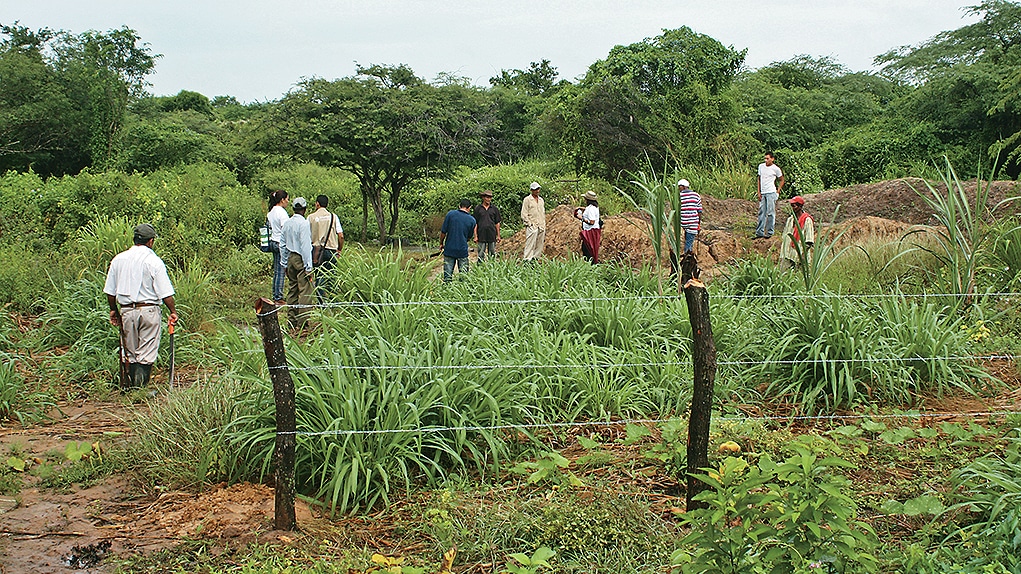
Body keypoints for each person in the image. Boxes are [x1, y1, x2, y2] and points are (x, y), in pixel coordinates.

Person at [104, 223, 177, 389]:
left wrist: (113, 310)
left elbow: (110, 292)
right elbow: (165, 293)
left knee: (129, 351)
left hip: (127, 310)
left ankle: (131, 388)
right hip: (149, 310)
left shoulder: (118, 260)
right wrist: (172, 311)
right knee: (146, 351)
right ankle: (140, 389)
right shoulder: (154, 261)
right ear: (150, 241)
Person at [279, 197, 315, 330]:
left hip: (290, 257)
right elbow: (306, 247)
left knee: (292, 289)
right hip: (300, 258)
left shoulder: (287, 223)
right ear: (304, 209)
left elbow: (282, 244)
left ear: (293, 209)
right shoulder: (304, 224)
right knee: (305, 290)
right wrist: (308, 267)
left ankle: (291, 320)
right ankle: (303, 322)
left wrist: (284, 263)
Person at [308, 194, 344, 300]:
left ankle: (321, 301)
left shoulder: (310, 217)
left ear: (317, 204)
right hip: (332, 250)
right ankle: (333, 299)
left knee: (319, 275)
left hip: (316, 251)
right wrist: (339, 249)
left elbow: (306, 236)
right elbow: (341, 235)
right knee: (332, 275)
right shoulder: (333, 217)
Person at [439, 199, 477, 282]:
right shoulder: (472, 220)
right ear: (469, 208)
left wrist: (441, 243)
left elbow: (443, 232)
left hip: (449, 249)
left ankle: (447, 288)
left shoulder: (450, 214)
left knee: (447, 276)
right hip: (462, 250)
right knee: (464, 277)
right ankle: (462, 289)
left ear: (459, 206)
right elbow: (468, 237)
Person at [779, 195, 815, 269]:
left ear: (800, 207)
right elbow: (785, 236)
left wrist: (802, 256)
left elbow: (809, 241)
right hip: (787, 254)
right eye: (791, 206)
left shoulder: (807, 220)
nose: (792, 208)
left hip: (799, 255)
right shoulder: (790, 219)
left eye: (794, 206)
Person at [267, 190, 290, 303]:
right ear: (282, 200)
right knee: (281, 270)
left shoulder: (271, 212)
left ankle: (276, 293)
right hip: (280, 243)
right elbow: (286, 230)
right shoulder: (282, 212)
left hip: (273, 241)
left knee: (277, 270)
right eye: (287, 199)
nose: (288, 202)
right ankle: (278, 297)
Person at [755, 152, 785, 239]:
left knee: (771, 212)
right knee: (762, 212)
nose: (766, 160)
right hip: (763, 192)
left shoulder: (776, 169)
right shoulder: (761, 166)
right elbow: (759, 179)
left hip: (771, 192)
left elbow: (782, 179)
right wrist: (759, 192)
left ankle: (770, 232)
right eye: (765, 158)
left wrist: (778, 191)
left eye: (768, 158)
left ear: (772, 159)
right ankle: (759, 232)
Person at [473, 190, 501, 262]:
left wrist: (498, 235)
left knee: (492, 252)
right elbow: (475, 223)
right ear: (483, 197)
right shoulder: (478, 208)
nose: (488, 199)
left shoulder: (494, 209)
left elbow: (497, 223)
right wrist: (475, 236)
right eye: (487, 197)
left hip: (492, 233)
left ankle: (492, 265)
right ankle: (480, 266)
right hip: (481, 233)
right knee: (481, 253)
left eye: (490, 197)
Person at [521, 181, 546, 261]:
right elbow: (524, 213)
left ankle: (535, 259)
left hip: (541, 225)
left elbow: (542, 212)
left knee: (539, 244)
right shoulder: (527, 200)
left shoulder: (541, 200)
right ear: (531, 190)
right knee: (530, 243)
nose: (537, 191)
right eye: (535, 189)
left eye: (538, 189)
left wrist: (543, 223)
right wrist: (529, 223)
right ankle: (527, 259)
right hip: (532, 225)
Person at [574, 190, 601, 264]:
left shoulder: (591, 209)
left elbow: (592, 222)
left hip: (590, 232)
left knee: (588, 250)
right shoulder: (594, 207)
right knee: (590, 249)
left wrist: (581, 218)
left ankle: (590, 265)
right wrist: (582, 208)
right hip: (593, 231)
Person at [678, 179, 703, 253]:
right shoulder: (696, 195)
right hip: (693, 222)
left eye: (679, 186)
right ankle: (688, 255)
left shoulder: (679, 196)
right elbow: (699, 211)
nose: (678, 188)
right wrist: (698, 223)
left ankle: (687, 256)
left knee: (687, 242)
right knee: (689, 242)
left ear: (684, 186)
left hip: (682, 222)